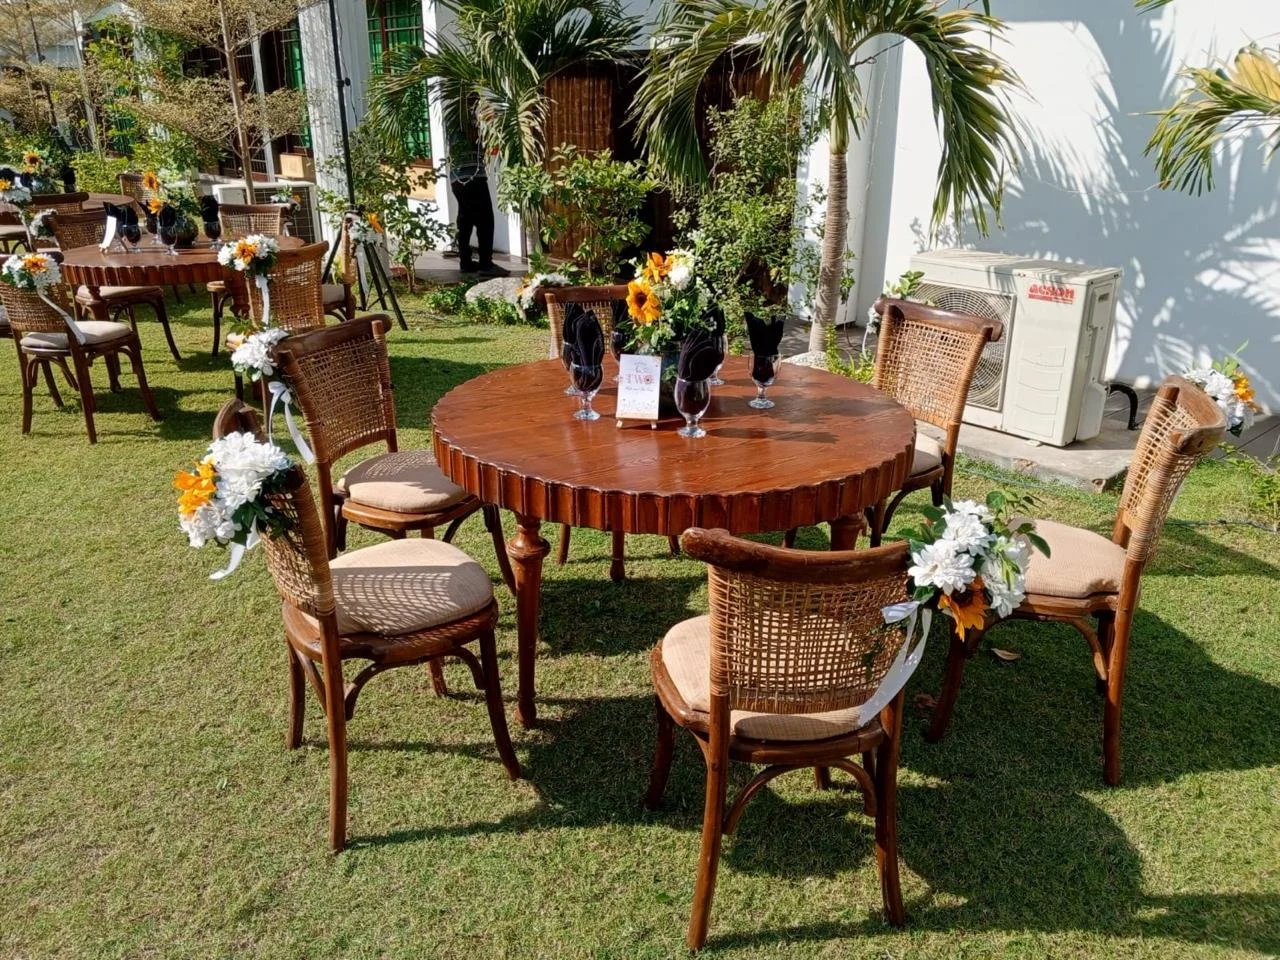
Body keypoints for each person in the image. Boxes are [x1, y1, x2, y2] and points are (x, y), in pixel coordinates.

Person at [448, 117, 506, 276]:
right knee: (485, 221)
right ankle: (486, 264)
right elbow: (489, 148)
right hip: (473, 178)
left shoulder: (453, 121)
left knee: (465, 220)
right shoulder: (470, 125)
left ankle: (465, 263)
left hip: (457, 180)